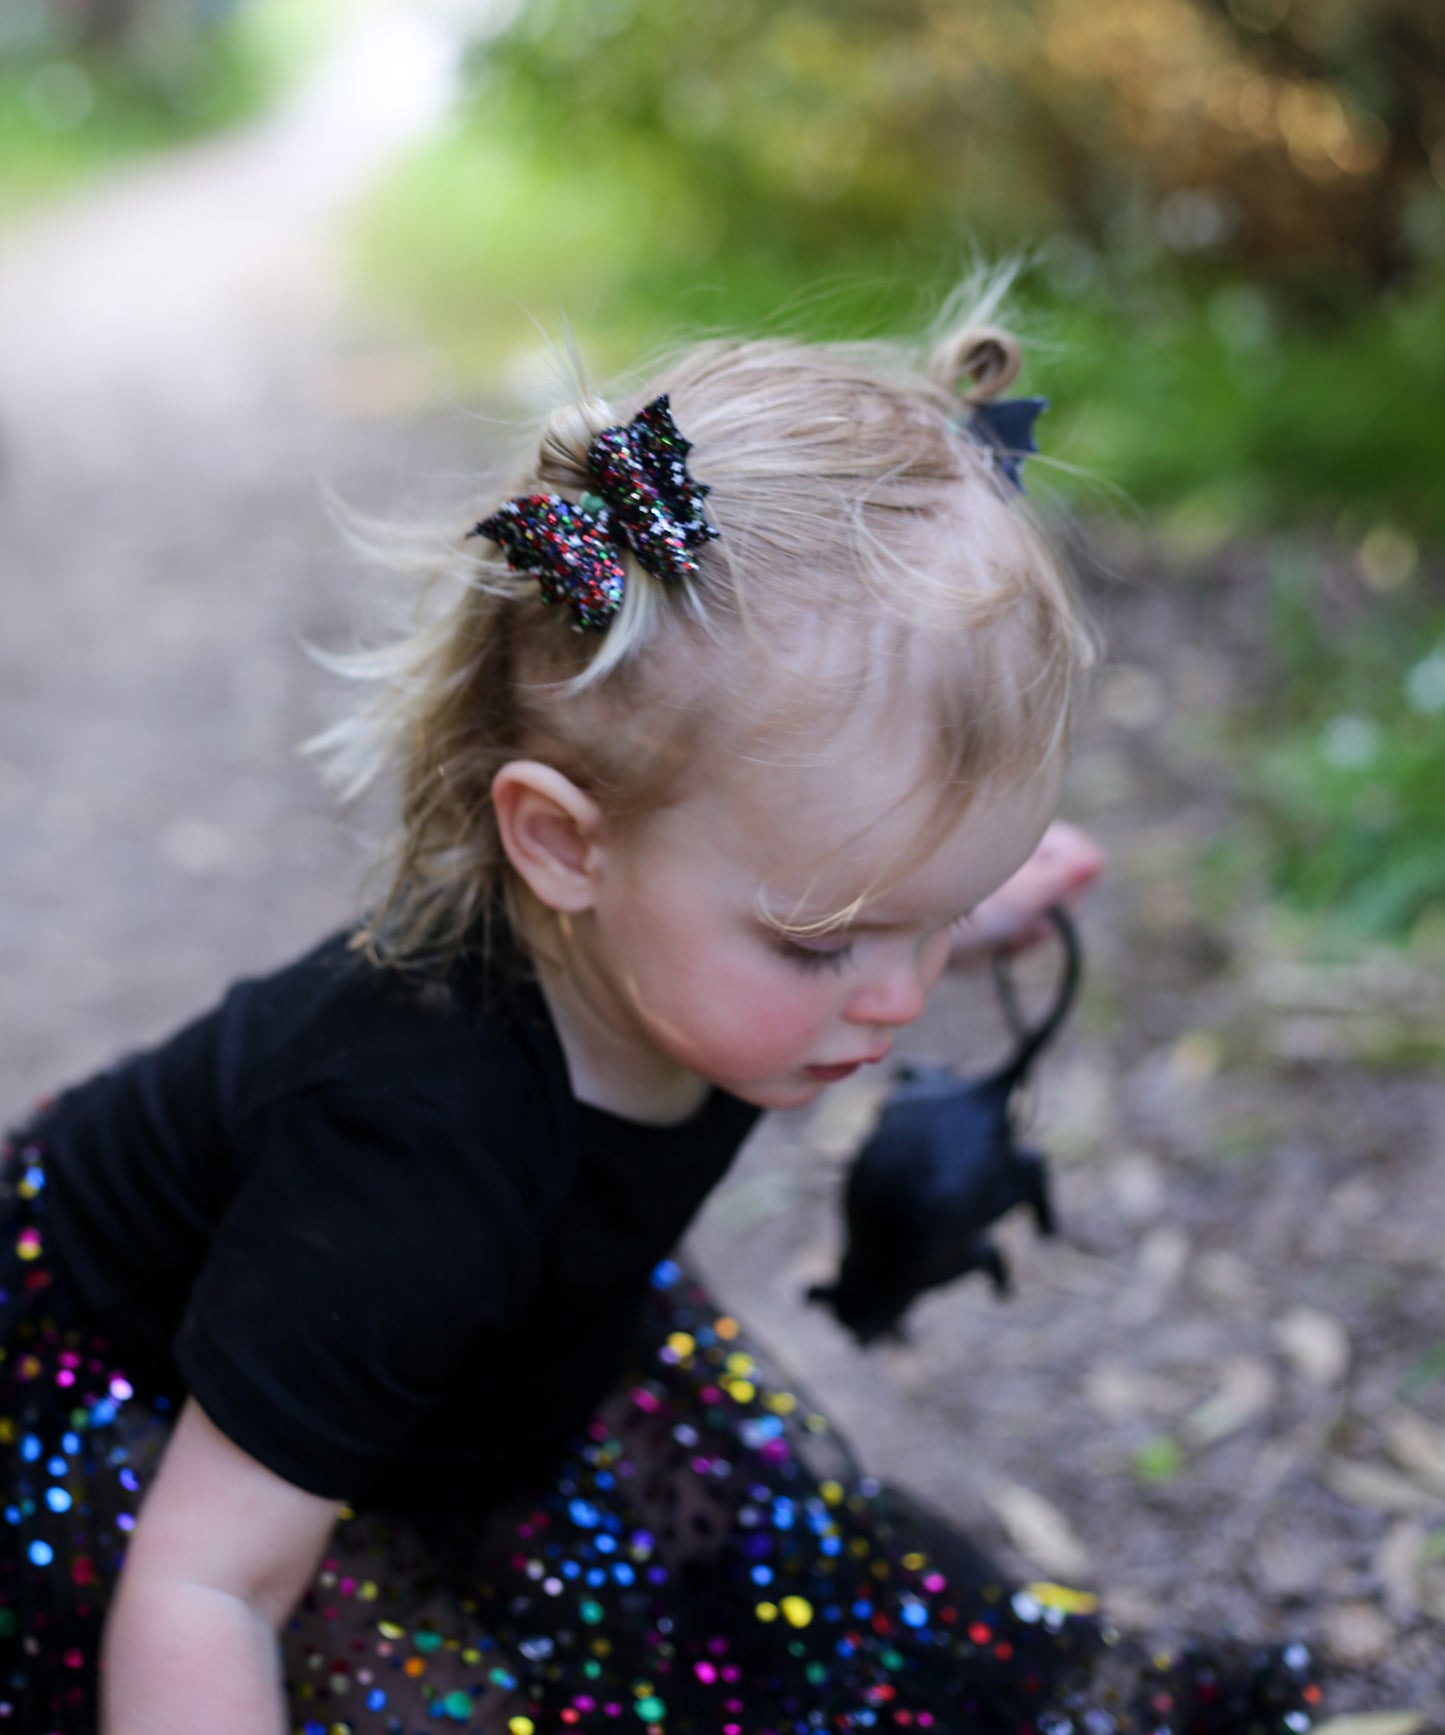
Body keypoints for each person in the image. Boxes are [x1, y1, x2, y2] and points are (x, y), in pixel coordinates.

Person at [0, 311, 1317, 1735]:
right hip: (155, 1434)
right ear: (566, 845)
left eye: (934, 918)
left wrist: (945, 909)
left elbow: (856, 901)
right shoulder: (409, 1164)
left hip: (450, 1353)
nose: (894, 997)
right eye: (825, 940)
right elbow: (201, 1590)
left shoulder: (687, 947)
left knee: (799, 1618)